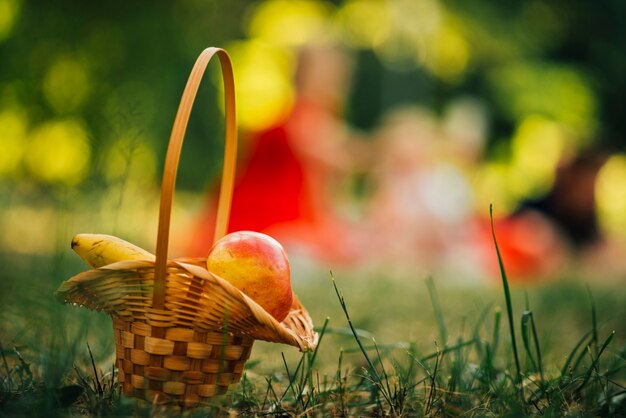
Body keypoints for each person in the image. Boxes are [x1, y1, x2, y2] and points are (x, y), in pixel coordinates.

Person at [188, 44, 367, 265]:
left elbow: (325, 186)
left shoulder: (320, 116)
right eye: (329, 71)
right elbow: (341, 158)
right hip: (262, 227)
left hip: (286, 223)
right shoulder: (303, 118)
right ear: (307, 74)